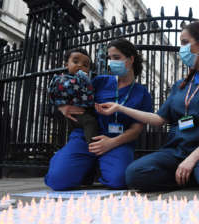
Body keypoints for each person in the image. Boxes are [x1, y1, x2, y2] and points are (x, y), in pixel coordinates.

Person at [96, 21, 199, 194]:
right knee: (134, 174)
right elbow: (159, 119)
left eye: (185, 42)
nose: (181, 48)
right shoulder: (181, 85)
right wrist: (119, 108)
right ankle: (195, 176)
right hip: (176, 151)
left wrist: (193, 158)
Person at [45, 39, 152, 190]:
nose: (111, 62)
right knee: (58, 180)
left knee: (118, 180)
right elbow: (71, 94)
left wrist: (111, 143)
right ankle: (85, 165)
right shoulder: (100, 81)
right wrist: (63, 107)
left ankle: (97, 166)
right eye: (109, 58)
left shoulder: (143, 94)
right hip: (84, 137)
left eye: (116, 57)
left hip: (117, 141)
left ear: (131, 59)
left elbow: (136, 130)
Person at [48, 48, 98, 144]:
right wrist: (82, 79)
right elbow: (67, 88)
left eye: (85, 65)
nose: (80, 65)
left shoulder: (86, 80)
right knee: (90, 122)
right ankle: (93, 145)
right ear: (67, 64)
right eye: (75, 61)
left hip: (83, 111)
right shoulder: (62, 78)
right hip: (75, 112)